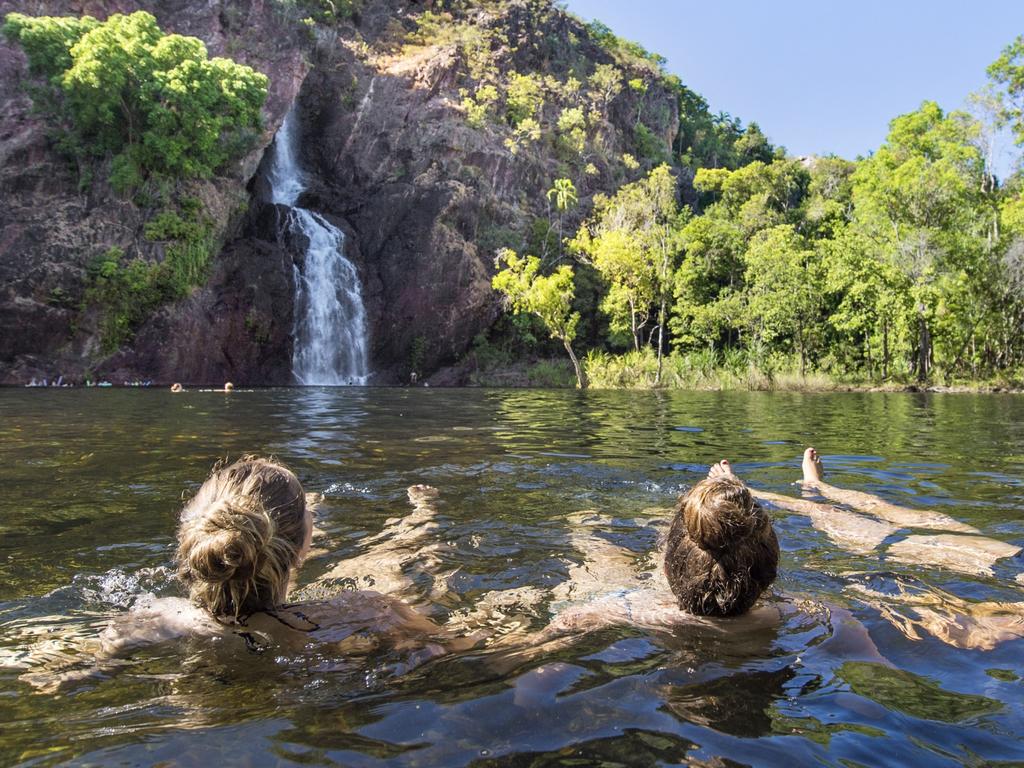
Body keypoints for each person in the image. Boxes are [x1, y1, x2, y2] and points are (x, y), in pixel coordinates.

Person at [13, 458, 476, 691]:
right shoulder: (366, 611)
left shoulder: (152, 616)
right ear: (302, 549)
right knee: (393, 568)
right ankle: (422, 520)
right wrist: (548, 630)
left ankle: (418, 519)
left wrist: (82, 672)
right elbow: (467, 653)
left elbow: (76, 666)